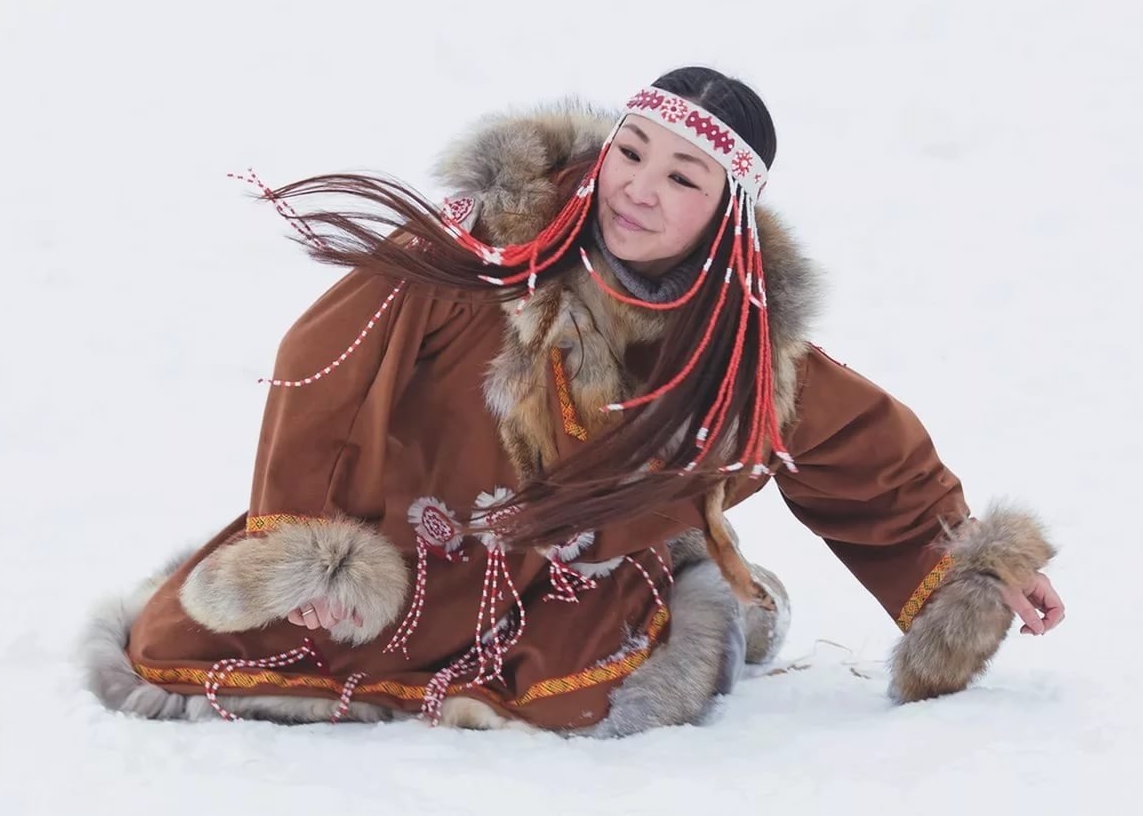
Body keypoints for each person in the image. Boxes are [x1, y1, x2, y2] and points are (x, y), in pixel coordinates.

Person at [82, 66, 1064, 736]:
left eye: (682, 177)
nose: (638, 187)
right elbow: (323, 363)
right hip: (391, 536)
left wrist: (973, 564)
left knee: (585, 696)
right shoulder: (479, 249)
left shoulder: (728, 327)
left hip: (549, 571)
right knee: (168, 651)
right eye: (630, 151)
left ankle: (713, 585)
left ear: (726, 212)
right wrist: (303, 546)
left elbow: (851, 436)